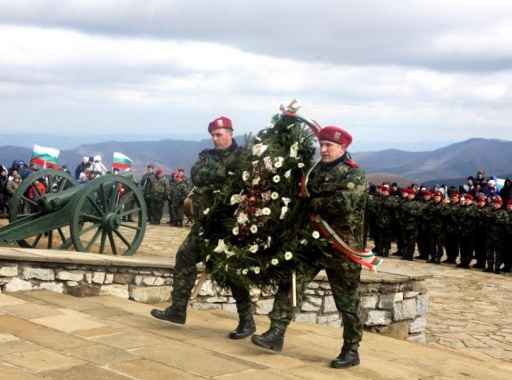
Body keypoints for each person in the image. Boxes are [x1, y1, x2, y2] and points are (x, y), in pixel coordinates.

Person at [251, 126, 368, 369]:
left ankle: (351, 348)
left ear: (343, 148)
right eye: (321, 145)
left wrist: (310, 200)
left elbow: (341, 204)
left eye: (329, 146)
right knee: (291, 283)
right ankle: (276, 332)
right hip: (311, 243)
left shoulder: (353, 174)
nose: (323, 150)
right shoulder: (313, 171)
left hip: (341, 246)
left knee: (347, 301)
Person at [150, 116, 256, 340]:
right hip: (206, 223)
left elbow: (251, 183)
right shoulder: (206, 156)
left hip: (231, 226)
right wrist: (226, 171)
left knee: (232, 272)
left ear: (230, 134)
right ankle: (178, 309)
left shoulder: (245, 157)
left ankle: (247, 321)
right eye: (213, 135)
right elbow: (198, 176)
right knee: (184, 256)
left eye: (219, 135)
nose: (216, 139)